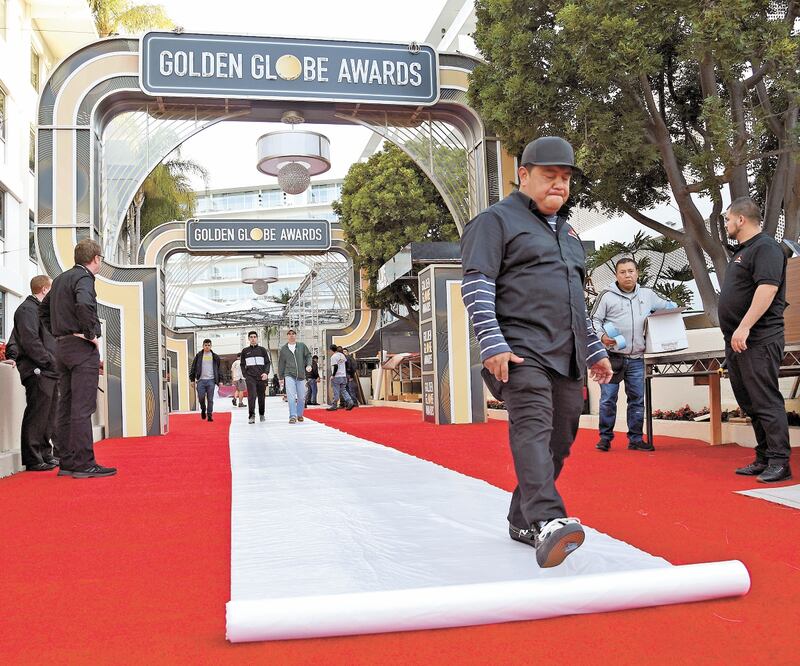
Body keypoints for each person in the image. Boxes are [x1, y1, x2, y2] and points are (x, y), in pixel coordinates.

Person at [461, 136, 612, 568]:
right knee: (533, 428)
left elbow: (576, 299)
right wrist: (492, 343)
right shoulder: (494, 222)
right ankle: (547, 519)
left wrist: (593, 350)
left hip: (566, 355)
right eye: (550, 175)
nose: (559, 185)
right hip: (519, 351)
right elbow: (477, 284)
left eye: (565, 178)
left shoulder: (568, 232)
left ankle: (521, 519)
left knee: (560, 441)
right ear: (524, 175)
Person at [718, 196, 791, 483]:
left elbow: (767, 289)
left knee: (765, 400)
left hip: (759, 338)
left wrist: (745, 326)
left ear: (741, 219)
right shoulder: (744, 251)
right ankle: (764, 457)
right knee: (749, 402)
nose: (726, 224)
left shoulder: (765, 248)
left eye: (727, 219)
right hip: (738, 343)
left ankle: (780, 461)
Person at [40, 238, 116, 478]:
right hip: (81, 348)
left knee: (66, 405)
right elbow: (84, 304)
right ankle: (84, 463)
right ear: (96, 259)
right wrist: (90, 333)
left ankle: (67, 461)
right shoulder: (84, 278)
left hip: (61, 347)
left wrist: (57, 332)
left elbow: (43, 310)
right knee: (83, 407)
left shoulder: (60, 279)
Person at [591, 258, 676, 452]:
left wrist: (669, 312)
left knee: (637, 399)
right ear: (616, 275)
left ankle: (636, 439)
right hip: (611, 357)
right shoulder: (606, 296)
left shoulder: (648, 294)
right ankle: (605, 438)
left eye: (631, 271)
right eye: (622, 272)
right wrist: (602, 336)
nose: (627, 275)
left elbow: (669, 306)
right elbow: (594, 320)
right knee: (608, 399)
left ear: (637, 273)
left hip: (637, 357)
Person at [11, 276, 60, 471]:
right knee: (37, 413)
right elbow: (30, 340)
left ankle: (46, 453)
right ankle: (33, 458)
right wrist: (48, 361)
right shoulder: (27, 310)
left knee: (49, 414)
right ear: (45, 290)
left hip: (50, 369)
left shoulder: (41, 310)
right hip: (37, 369)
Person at [278, 329, 312, 423]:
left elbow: (308, 356)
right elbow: (281, 363)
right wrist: (281, 377)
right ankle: (292, 416)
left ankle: (299, 414)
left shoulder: (302, 346)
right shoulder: (284, 349)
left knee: (301, 397)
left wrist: (309, 365)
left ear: (295, 335)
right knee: (291, 396)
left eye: (293, 334)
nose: (291, 335)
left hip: (301, 375)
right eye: (289, 334)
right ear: (287, 336)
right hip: (289, 374)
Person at [189, 339, 222, 422]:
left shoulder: (215, 356)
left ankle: (209, 415)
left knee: (210, 399)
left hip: (211, 380)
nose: (207, 347)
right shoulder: (199, 356)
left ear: (211, 346)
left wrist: (220, 380)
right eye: (205, 345)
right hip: (201, 380)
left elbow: (219, 369)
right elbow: (193, 367)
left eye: (208, 345)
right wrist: (192, 379)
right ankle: (203, 409)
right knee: (201, 397)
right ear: (203, 346)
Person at [241, 330, 269, 424]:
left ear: (257, 338)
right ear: (248, 339)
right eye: (251, 337)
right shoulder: (245, 351)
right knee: (252, 396)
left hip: (261, 377)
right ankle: (251, 416)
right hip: (250, 378)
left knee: (261, 396)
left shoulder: (262, 350)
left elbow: (267, 363)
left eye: (254, 337)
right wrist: (245, 375)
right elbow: (242, 364)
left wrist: (266, 373)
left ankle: (262, 414)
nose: (253, 339)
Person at [327, 344, 354, 411]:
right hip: (343, 375)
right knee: (343, 390)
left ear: (331, 350)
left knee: (336, 391)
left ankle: (334, 405)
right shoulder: (342, 355)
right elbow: (346, 364)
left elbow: (335, 366)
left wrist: (333, 375)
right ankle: (350, 401)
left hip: (337, 376)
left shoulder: (333, 357)